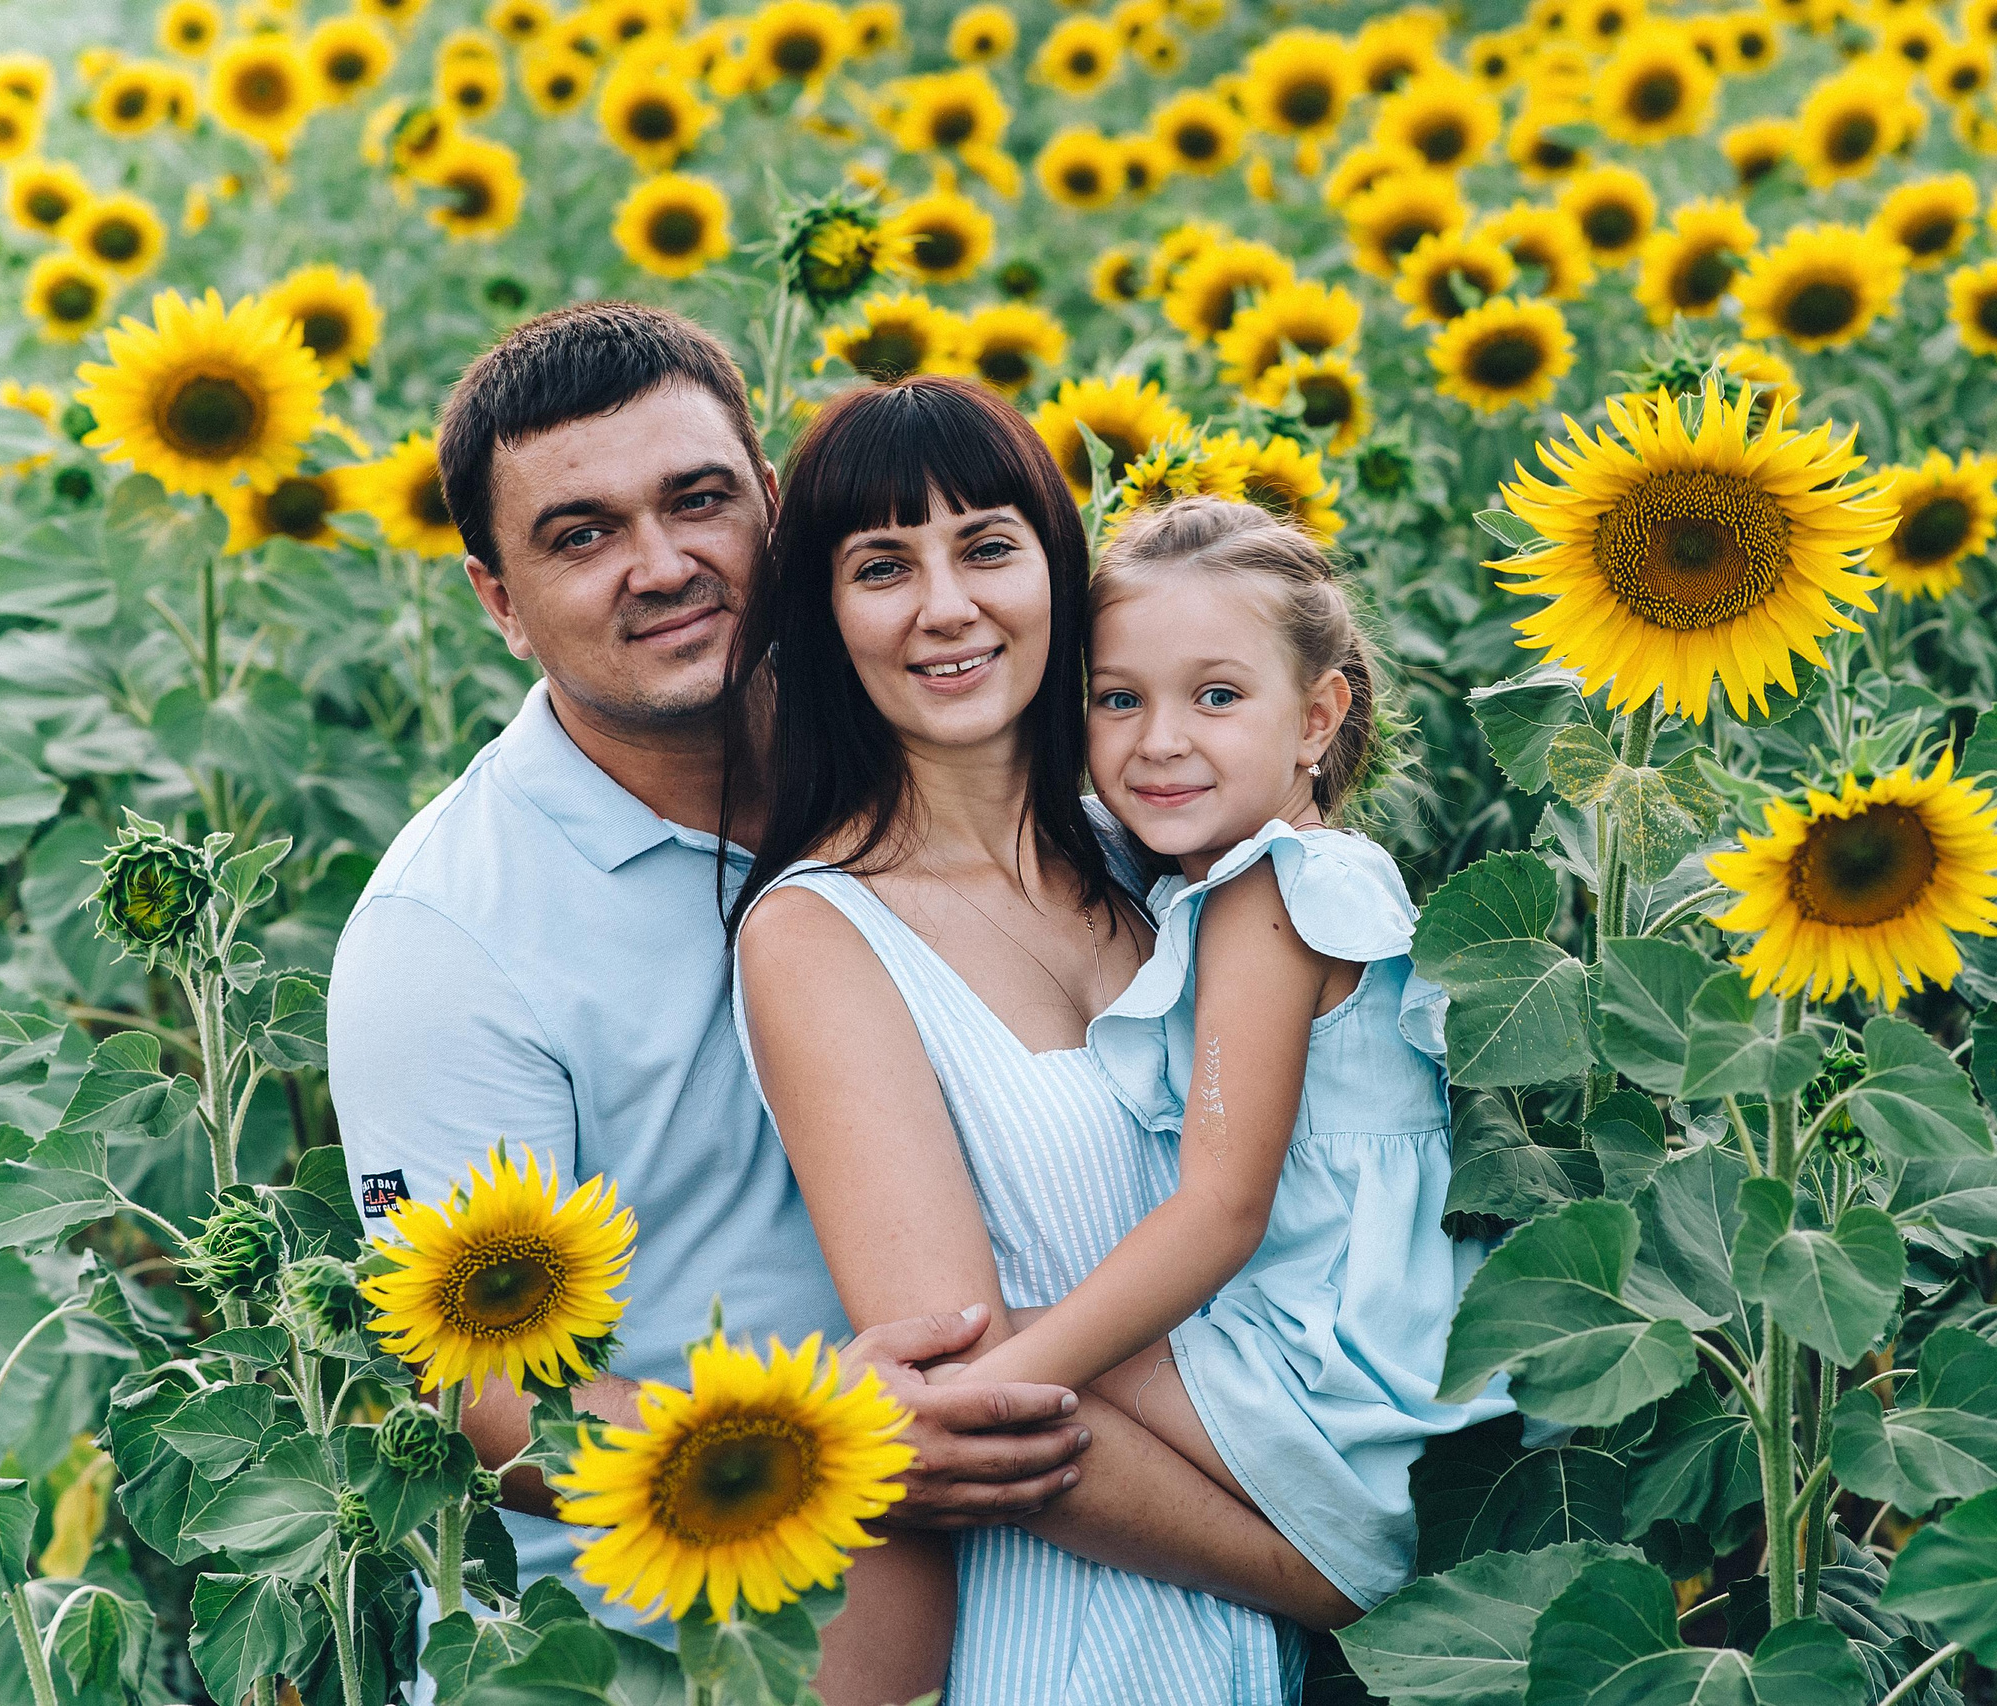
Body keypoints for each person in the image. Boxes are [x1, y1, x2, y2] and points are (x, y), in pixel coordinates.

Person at [329, 307, 1322, 1706]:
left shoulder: (954, 750)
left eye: (698, 501)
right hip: (661, 1654)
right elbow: (475, 1393)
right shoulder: (449, 936)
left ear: (774, 510)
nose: (662, 566)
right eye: (581, 534)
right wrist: (804, 1438)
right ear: (497, 599)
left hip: (1032, 1591)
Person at [731, 380, 1361, 1706]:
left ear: (1058, 575)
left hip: (1279, 1649)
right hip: (1067, 1641)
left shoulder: (1177, 855)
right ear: (826, 617)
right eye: (882, 564)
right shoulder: (819, 934)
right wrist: (1323, 1569)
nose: (945, 604)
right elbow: (965, 1403)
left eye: (988, 545)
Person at [947, 495, 1514, 1615]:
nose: (1158, 739)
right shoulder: (1296, 865)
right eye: (1118, 699)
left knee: (970, 1376)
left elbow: (1221, 1210)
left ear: (1317, 717)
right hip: (1389, 1356)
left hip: (1335, 1377)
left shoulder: (1270, 892)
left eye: (1215, 695)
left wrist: (993, 1384)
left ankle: (1330, 1578)